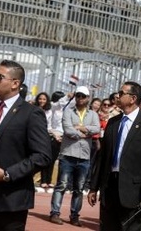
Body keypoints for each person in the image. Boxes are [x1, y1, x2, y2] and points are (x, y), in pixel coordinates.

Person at [87, 81, 141, 231]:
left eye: (122, 93)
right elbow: (103, 157)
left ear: (133, 98)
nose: (118, 96)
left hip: (133, 191)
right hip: (110, 187)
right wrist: (94, 187)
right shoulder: (113, 122)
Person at [0, 59, 52, 230]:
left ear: (15, 83)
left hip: (10, 200)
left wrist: (7, 174)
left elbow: (42, 156)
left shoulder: (31, 113)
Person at [49, 86, 100, 226]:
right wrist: (83, 134)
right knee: (61, 185)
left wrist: (82, 128)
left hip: (84, 156)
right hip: (68, 154)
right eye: (78, 95)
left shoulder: (93, 114)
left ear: (88, 98)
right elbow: (68, 129)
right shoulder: (68, 111)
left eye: (83, 96)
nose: (80, 98)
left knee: (79, 188)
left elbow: (97, 129)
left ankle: (74, 216)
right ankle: (54, 213)